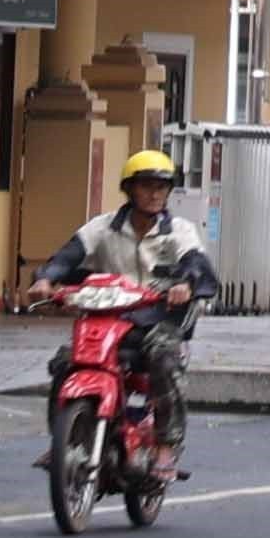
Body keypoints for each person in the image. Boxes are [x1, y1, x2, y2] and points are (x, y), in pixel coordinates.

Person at [33, 148, 220, 478]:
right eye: (146, 185)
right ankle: (64, 441)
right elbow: (68, 255)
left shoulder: (179, 231)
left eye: (161, 187)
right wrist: (47, 280)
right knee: (65, 361)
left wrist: (185, 285)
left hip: (158, 319)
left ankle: (165, 446)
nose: (154, 193)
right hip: (110, 320)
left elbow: (196, 264)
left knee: (164, 359)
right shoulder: (102, 227)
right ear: (130, 189)